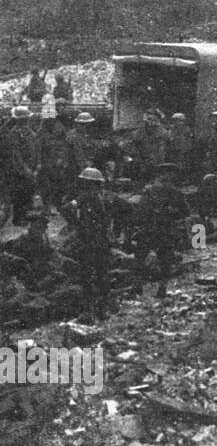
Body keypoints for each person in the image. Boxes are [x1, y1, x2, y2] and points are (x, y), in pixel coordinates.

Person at [61, 168, 121, 320]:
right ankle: (93, 310)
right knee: (93, 276)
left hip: (96, 241)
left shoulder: (99, 197)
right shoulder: (86, 197)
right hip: (91, 241)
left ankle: (98, 310)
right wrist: (78, 225)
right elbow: (66, 209)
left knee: (98, 276)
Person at [135, 163, 190, 291]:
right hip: (166, 230)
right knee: (166, 259)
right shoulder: (175, 192)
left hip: (149, 229)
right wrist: (172, 213)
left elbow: (140, 212)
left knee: (143, 258)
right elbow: (185, 212)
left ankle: (138, 287)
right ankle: (162, 288)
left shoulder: (149, 191)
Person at [4, 106, 40, 222]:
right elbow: (16, 154)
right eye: (24, 119)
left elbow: (37, 149)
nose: (26, 121)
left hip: (31, 167)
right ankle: (18, 218)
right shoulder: (13, 134)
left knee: (29, 191)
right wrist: (25, 169)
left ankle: (25, 214)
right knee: (19, 193)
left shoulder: (30, 132)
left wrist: (37, 164)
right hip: (19, 170)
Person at [128, 109, 171, 184]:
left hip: (157, 160)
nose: (151, 123)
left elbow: (165, 141)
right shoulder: (140, 132)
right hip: (143, 160)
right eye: (149, 119)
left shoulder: (162, 131)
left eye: (153, 120)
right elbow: (134, 144)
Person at [167, 113, 195, 181]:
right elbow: (170, 139)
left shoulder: (187, 129)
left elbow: (189, 141)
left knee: (184, 164)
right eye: (175, 121)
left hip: (184, 150)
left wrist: (186, 148)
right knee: (175, 165)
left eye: (180, 121)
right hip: (175, 150)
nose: (178, 123)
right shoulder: (172, 129)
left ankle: (185, 178)